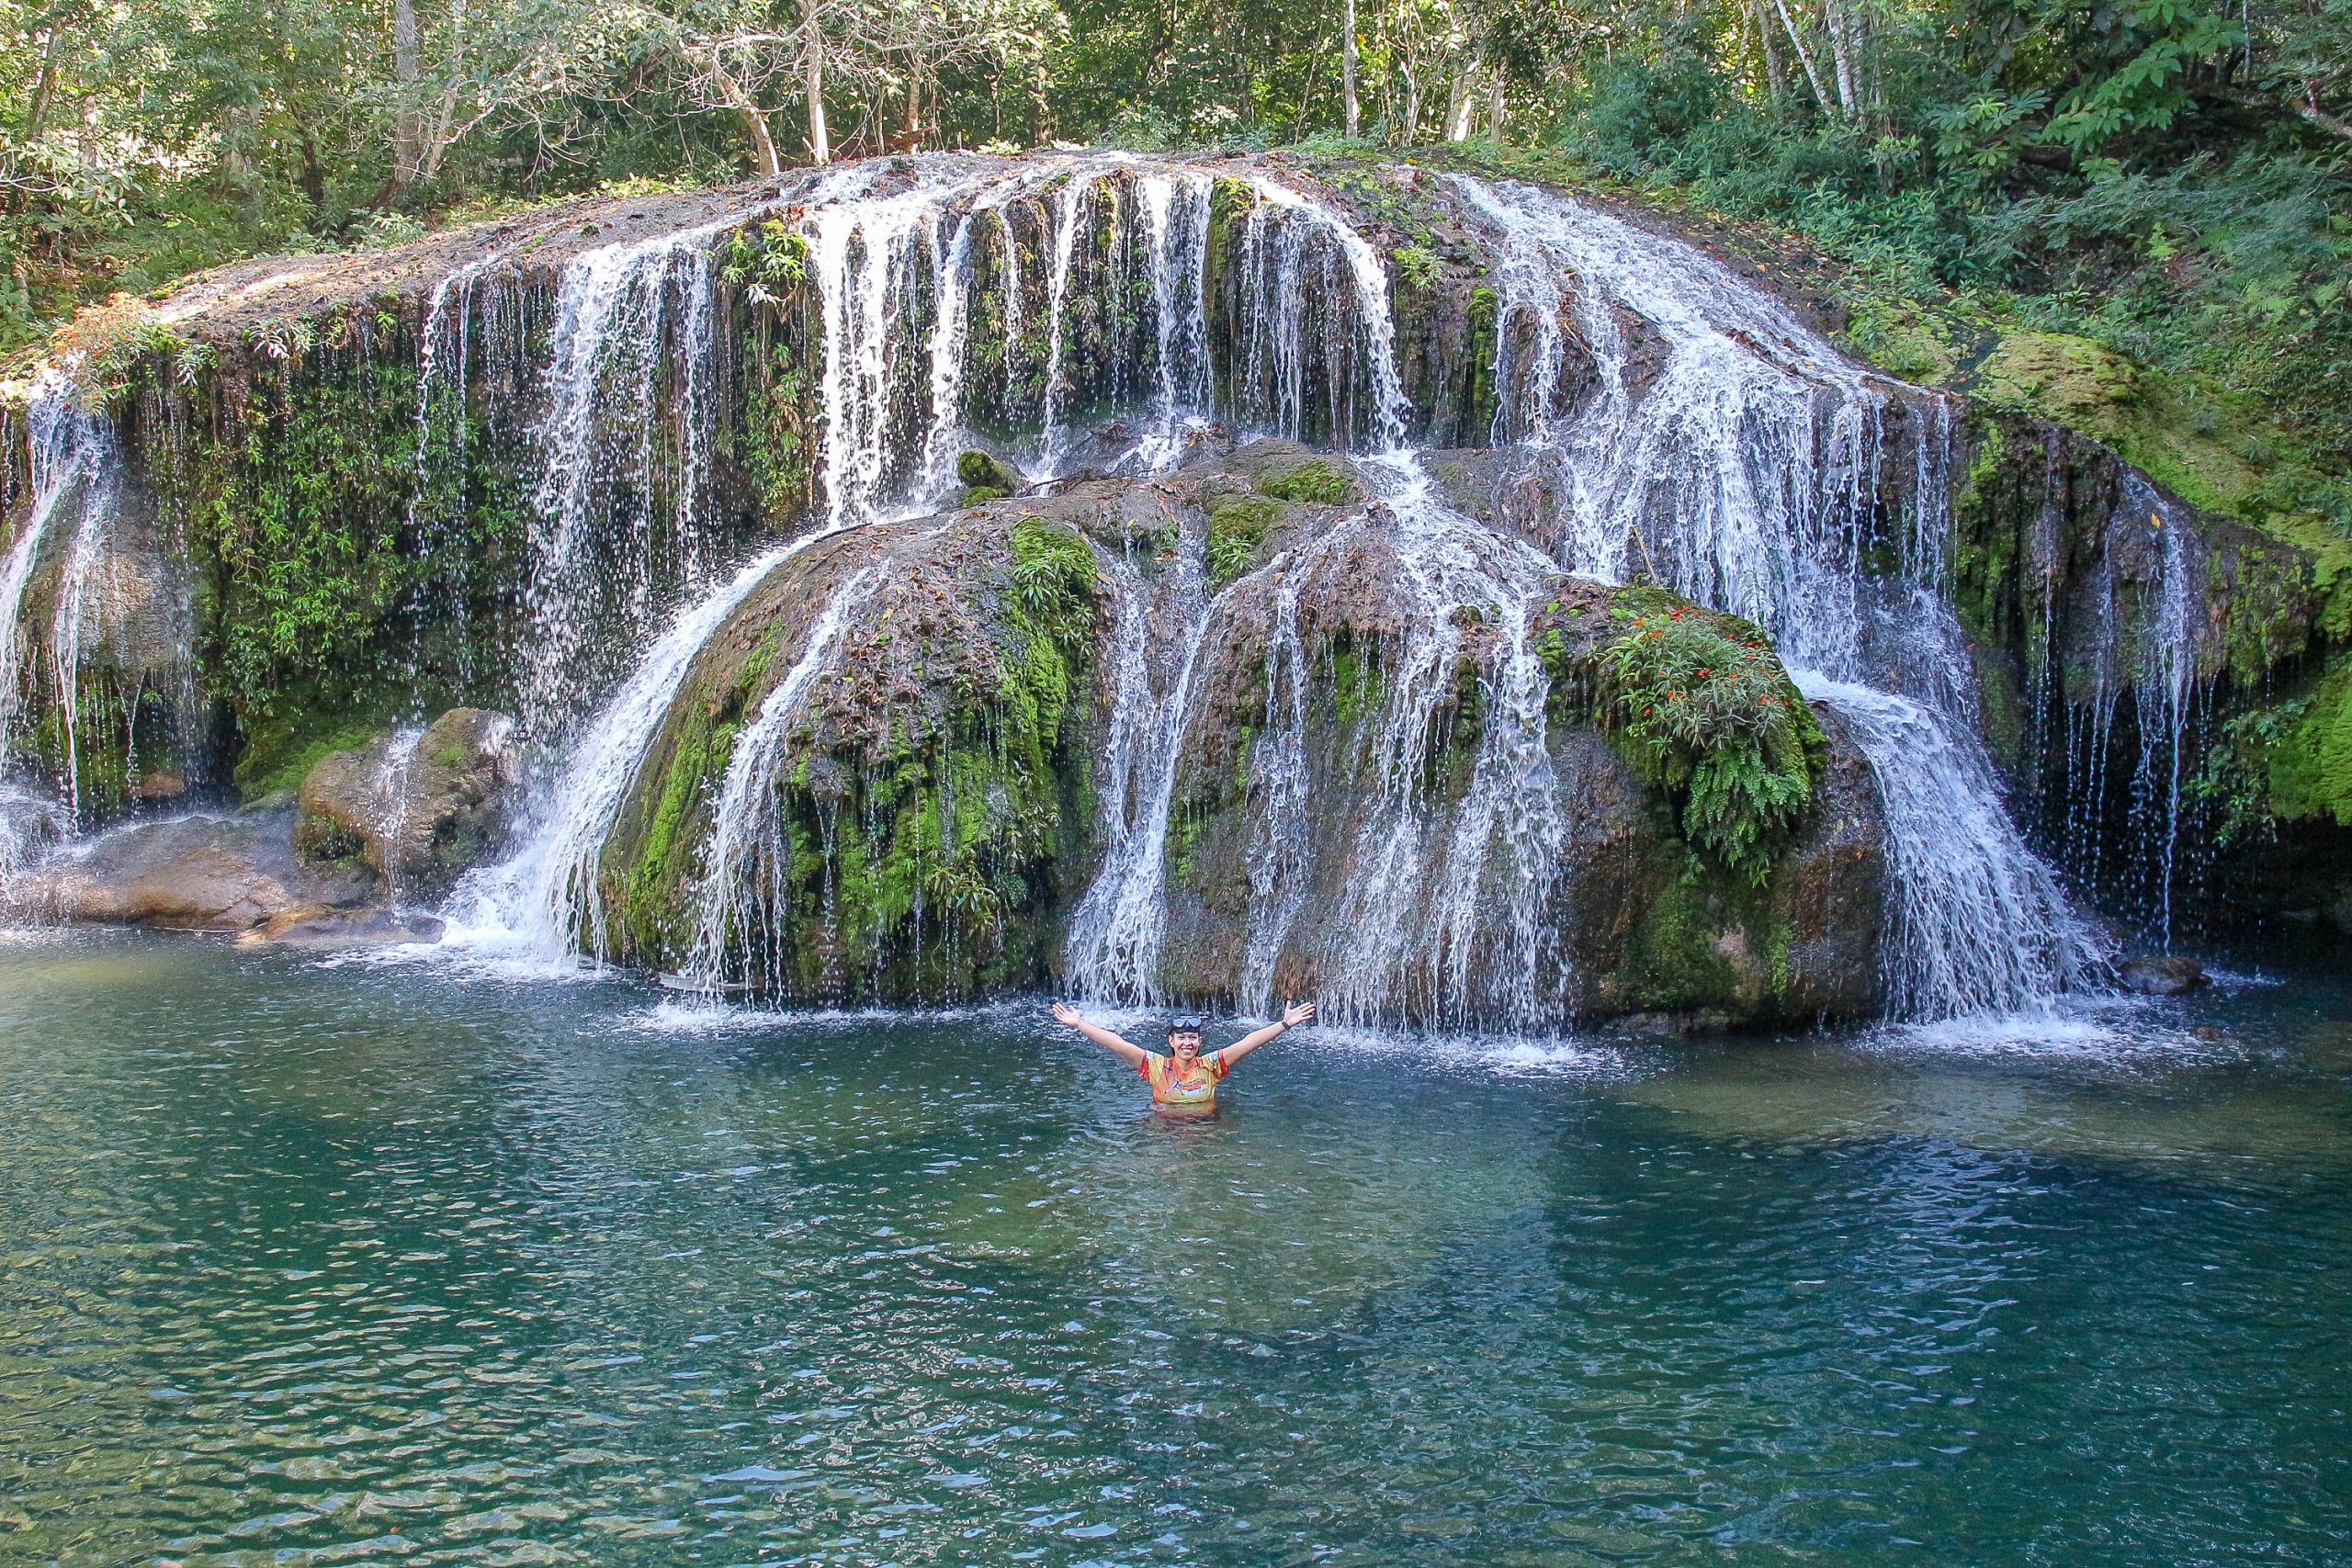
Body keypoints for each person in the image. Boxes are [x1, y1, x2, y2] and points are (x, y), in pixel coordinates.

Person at [1048, 1000, 1317, 1112]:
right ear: (1171, 1041)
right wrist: (1080, 1024)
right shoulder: (1156, 1066)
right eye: (1182, 1038)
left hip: (1206, 1130)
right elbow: (1118, 1044)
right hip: (1165, 1131)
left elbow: (1248, 1043)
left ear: (1199, 1042)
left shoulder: (1211, 1065)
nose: (1187, 1043)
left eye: (1192, 1038)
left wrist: (1284, 1024)